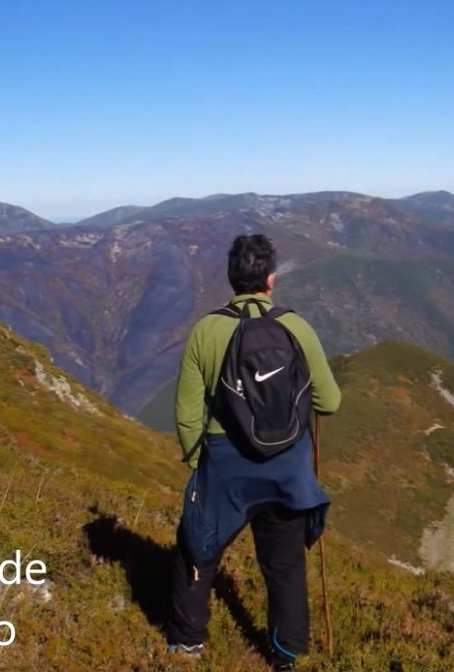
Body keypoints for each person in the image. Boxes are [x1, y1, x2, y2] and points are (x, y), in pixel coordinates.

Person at [167, 234, 341, 670]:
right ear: (270, 279)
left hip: (226, 465)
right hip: (286, 469)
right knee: (284, 566)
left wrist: (198, 463)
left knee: (197, 549)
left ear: (231, 278)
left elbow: (188, 414)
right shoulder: (295, 327)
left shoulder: (206, 330)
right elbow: (330, 401)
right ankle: (287, 655)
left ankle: (187, 645)